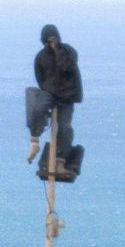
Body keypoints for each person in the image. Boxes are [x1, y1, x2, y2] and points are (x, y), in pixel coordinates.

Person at [27, 24, 83, 173]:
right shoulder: (40, 57)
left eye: (52, 39)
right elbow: (39, 77)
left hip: (67, 96)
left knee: (64, 128)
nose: (50, 43)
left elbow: (66, 67)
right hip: (50, 93)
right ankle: (34, 139)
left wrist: (57, 49)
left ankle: (60, 161)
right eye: (47, 41)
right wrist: (48, 88)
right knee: (38, 108)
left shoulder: (68, 51)